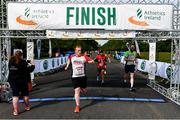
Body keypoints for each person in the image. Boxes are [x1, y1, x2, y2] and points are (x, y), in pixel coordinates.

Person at [65, 45, 94, 113]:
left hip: (83, 76)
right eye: (78, 50)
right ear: (75, 51)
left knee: (84, 91)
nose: (79, 51)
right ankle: (77, 106)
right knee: (77, 90)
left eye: (80, 50)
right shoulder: (72, 56)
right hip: (75, 77)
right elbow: (69, 59)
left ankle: (82, 88)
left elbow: (89, 61)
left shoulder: (84, 57)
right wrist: (67, 66)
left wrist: (92, 61)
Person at [8, 50, 35, 116]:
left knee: (15, 95)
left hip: (13, 80)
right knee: (25, 94)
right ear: (21, 55)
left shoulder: (11, 61)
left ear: (14, 54)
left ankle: (16, 111)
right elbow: (29, 70)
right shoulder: (23, 62)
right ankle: (27, 106)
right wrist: (33, 65)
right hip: (22, 80)